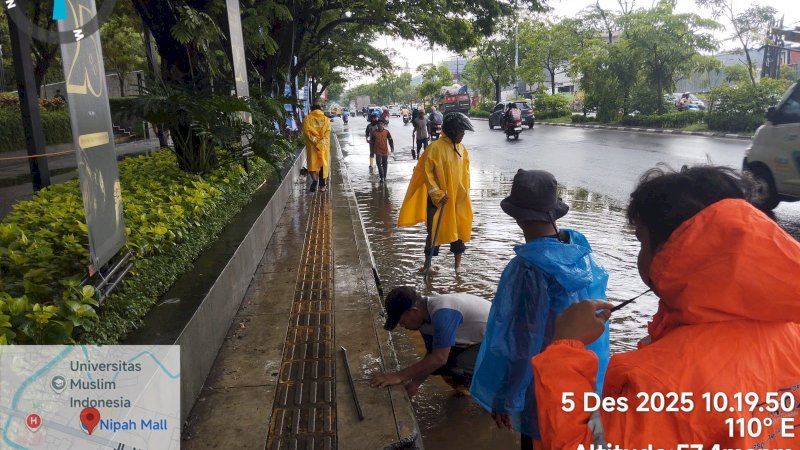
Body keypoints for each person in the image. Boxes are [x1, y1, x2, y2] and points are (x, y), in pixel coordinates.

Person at [531, 165, 800, 449]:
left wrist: (565, 348)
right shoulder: (792, 332)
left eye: (641, 241)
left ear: (675, 251)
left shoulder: (660, 382)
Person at [470, 169, 610, 450]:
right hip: (583, 373)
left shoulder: (527, 269)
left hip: (544, 381)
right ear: (554, 212)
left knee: (542, 437)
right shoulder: (577, 247)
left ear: (517, 216)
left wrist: (504, 398)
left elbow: (521, 344)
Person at [370, 286, 491, 397]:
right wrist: (415, 384)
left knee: (451, 365)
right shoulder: (423, 317)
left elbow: (439, 358)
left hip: (496, 341)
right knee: (437, 366)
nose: (402, 326)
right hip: (476, 338)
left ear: (413, 311)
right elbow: (432, 354)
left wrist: (399, 376)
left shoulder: (443, 313)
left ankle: (488, 393)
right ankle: (463, 389)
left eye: (402, 321)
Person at [398, 112, 474, 274]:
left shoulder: (462, 149)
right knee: (434, 232)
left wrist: (465, 194)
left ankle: (457, 266)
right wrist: (438, 194)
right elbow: (427, 174)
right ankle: (428, 265)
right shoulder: (434, 149)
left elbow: (466, 174)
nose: (463, 134)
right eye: (461, 131)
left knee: (459, 230)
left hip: (457, 200)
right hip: (438, 201)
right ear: (452, 131)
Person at [302, 104, 331, 193]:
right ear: (320, 109)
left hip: (312, 146)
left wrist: (315, 142)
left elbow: (306, 132)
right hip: (323, 147)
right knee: (323, 165)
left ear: (311, 110)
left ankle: (314, 180)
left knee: (312, 164)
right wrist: (321, 144)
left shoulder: (307, 119)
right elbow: (327, 134)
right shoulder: (326, 119)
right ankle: (322, 187)